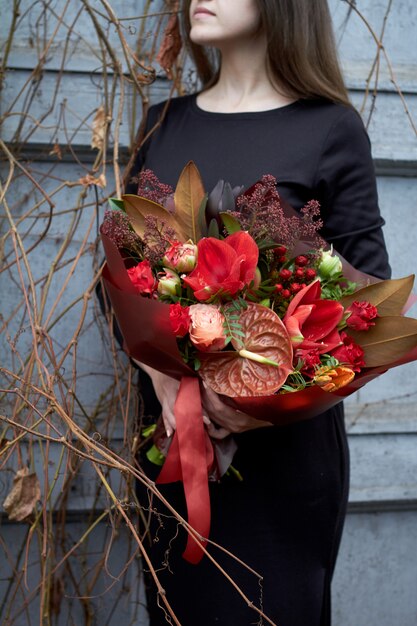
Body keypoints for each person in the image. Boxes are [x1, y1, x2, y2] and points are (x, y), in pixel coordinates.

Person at [123, 1, 391, 624]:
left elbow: (367, 310)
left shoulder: (330, 127)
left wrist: (245, 400)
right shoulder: (161, 123)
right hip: (171, 451)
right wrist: (169, 383)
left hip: (284, 471)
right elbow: (128, 278)